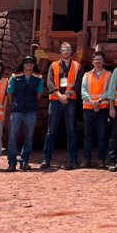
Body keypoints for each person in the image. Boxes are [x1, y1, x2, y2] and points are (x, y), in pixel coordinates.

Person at [41, 42, 81, 170]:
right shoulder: (54, 65)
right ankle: (46, 159)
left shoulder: (77, 65)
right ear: (60, 52)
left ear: (71, 51)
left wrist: (67, 95)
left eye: (68, 49)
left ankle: (73, 160)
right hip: (55, 101)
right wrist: (59, 95)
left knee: (71, 131)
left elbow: (78, 83)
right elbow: (50, 82)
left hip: (70, 101)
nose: (66, 51)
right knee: (51, 131)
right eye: (64, 50)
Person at [6, 56, 45, 172]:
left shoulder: (38, 78)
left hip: (30, 111)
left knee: (29, 137)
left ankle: (24, 162)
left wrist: (31, 103)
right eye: (26, 62)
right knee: (12, 137)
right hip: (17, 111)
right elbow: (9, 93)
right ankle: (12, 163)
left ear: (34, 64)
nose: (29, 64)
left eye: (31, 62)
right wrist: (13, 104)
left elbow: (39, 93)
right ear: (23, 64)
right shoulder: (14, 77)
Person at [80, 52, 111, 169]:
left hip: (102, 108)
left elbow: (109, 90)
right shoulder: (87, 75)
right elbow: (83, 91)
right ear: (92, 62)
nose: (98, 62)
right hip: (88, 108)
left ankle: (101, 160)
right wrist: (92, 102)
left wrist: (98, 101)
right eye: (96, 60)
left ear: (103, 62)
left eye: (100, 60)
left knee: (102, 135)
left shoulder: (108, 75)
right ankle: (87, 160)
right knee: (88, 135)